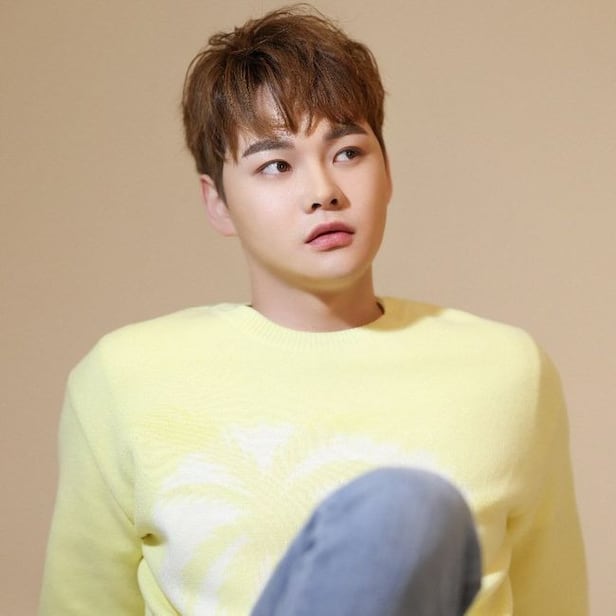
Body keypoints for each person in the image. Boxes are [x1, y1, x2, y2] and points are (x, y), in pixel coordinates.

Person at [39, 5, 588, 615]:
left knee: (410, 513)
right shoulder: (124, 381)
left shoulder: (507, 372)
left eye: (348, 152)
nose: (323, 191)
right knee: (404, 510)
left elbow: (554, 604)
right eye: (275, 165)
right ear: (217, 202)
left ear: (388, 170)